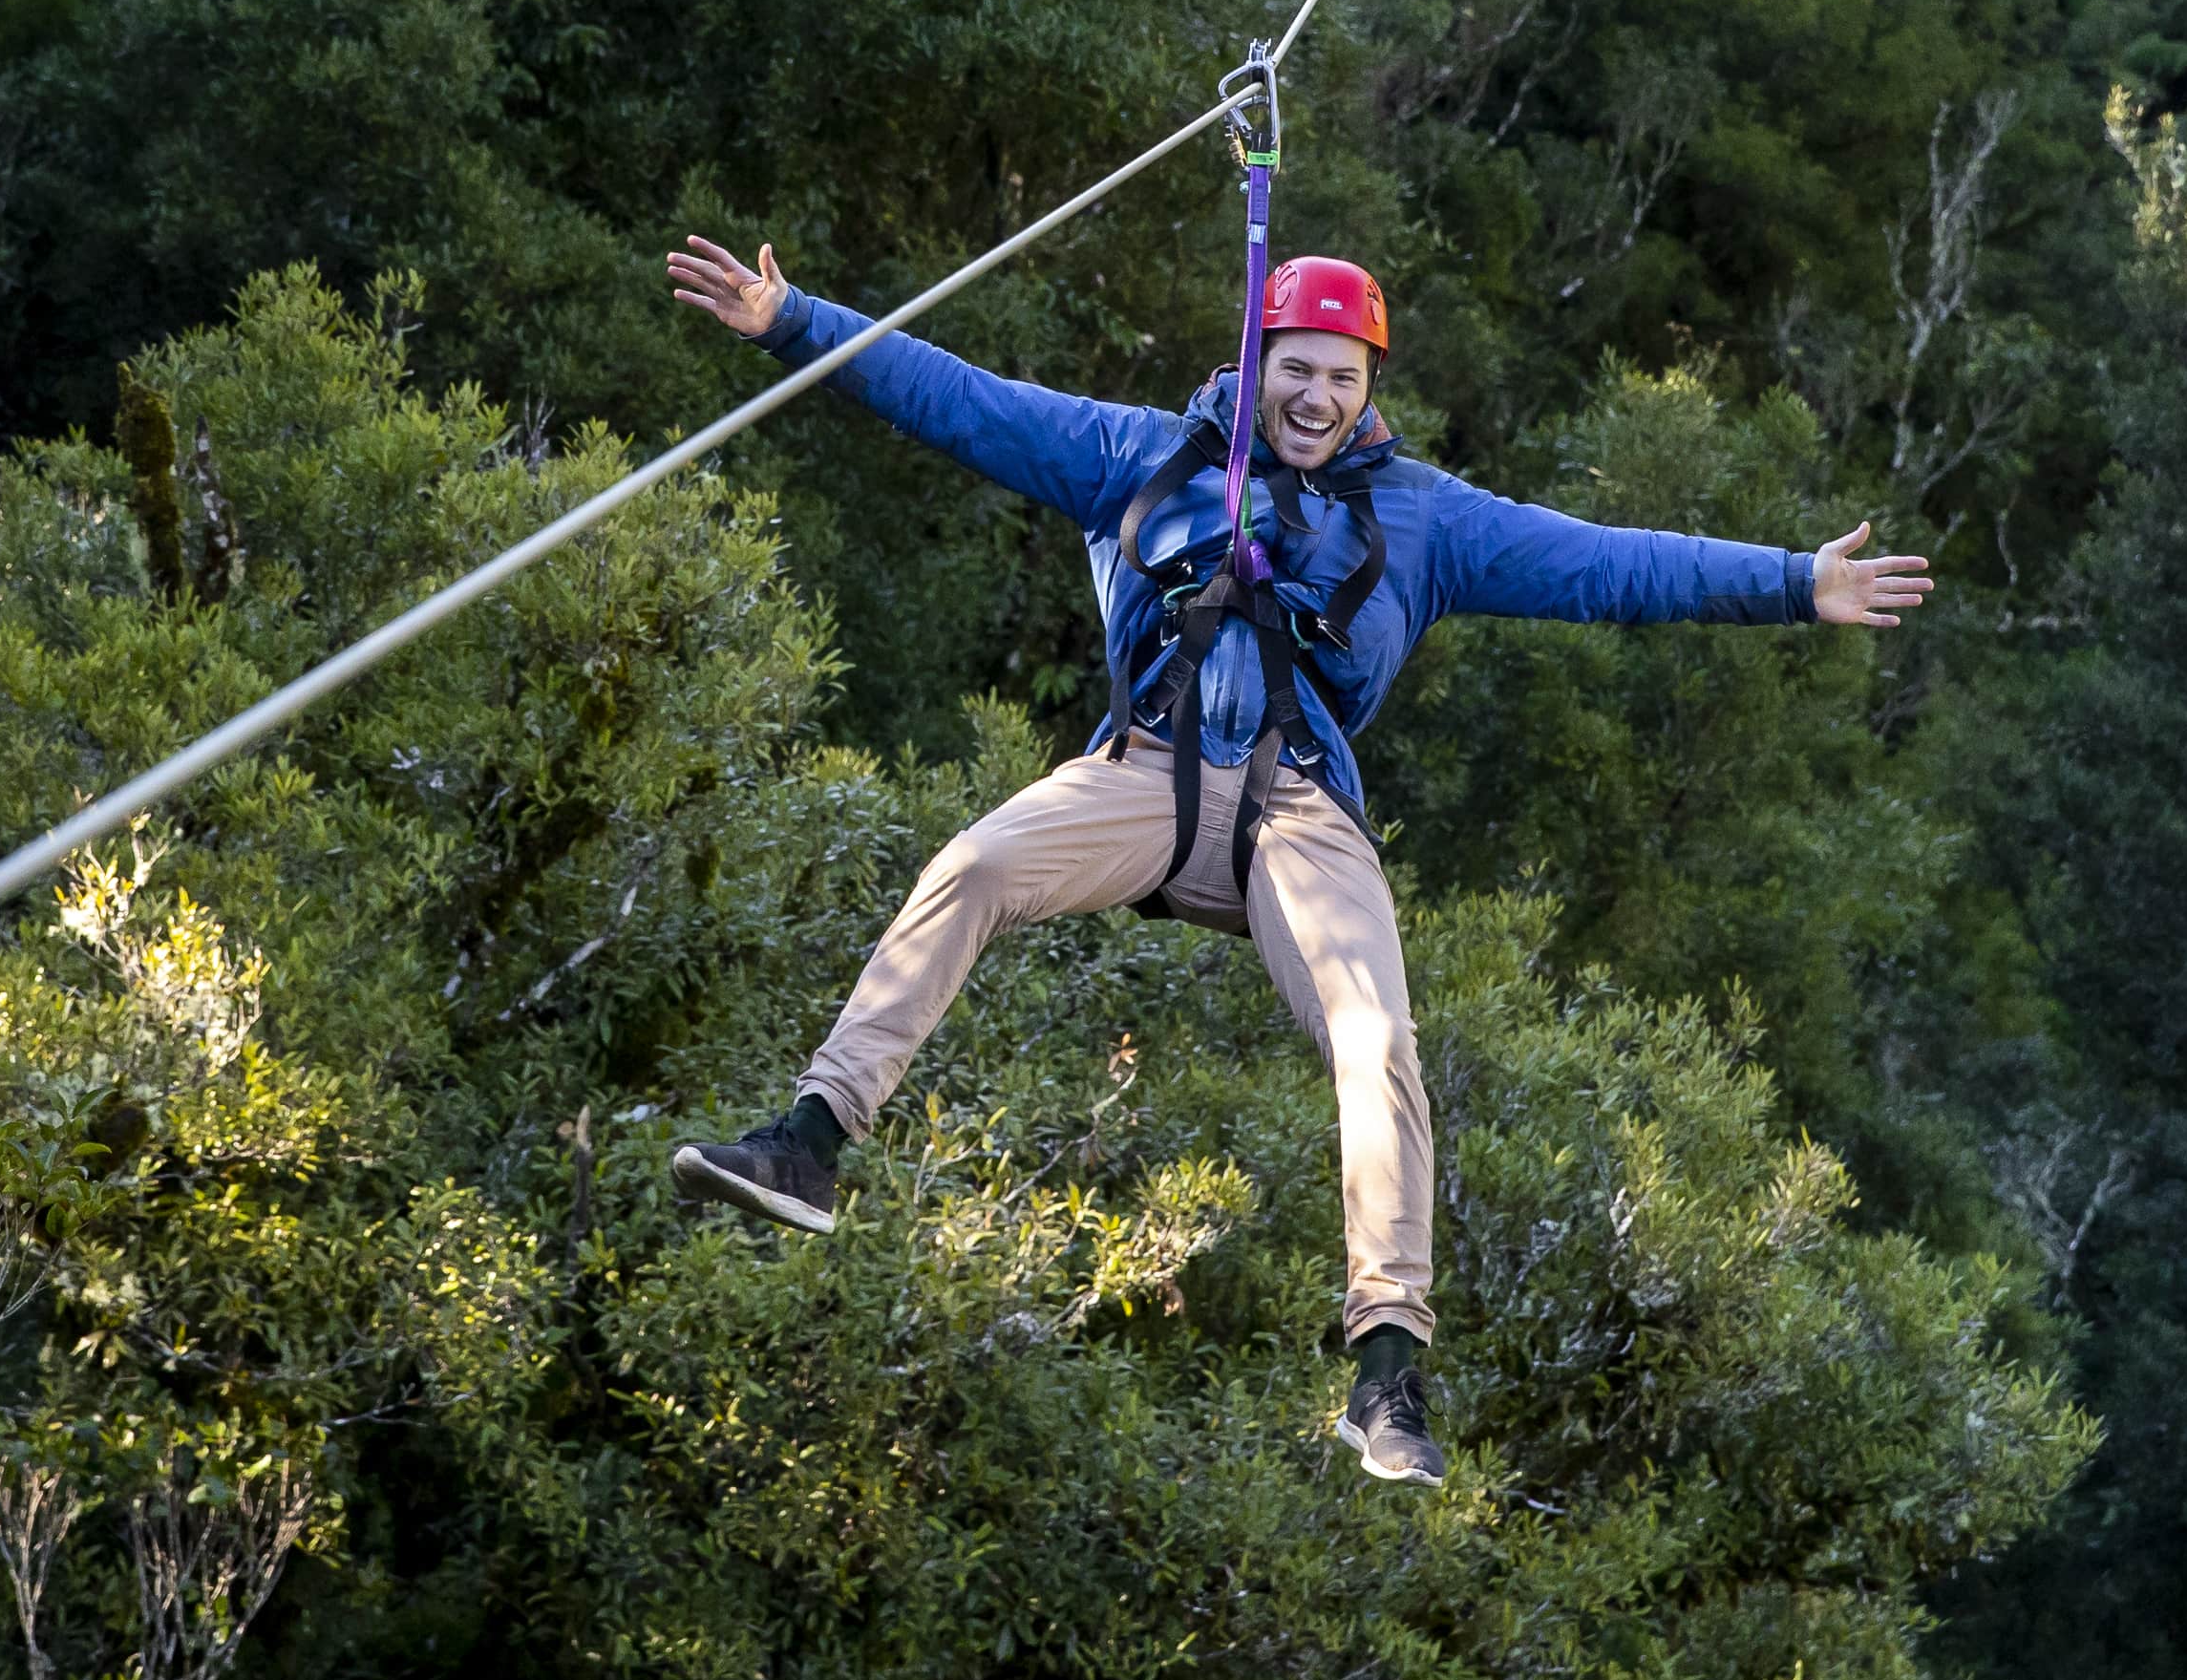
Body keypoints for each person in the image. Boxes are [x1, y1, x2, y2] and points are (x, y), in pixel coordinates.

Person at [654, 232, 1925, 1485]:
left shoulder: (1426, 521)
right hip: (1144, 773)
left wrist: (1790, 583)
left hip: (1299, 811)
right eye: (1297, 370)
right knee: (976, 865)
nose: (1316, 397)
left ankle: (1386, 1370)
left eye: (1343, 377)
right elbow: (964, 402)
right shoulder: (1142, 454)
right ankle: (810, 1142)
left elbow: (1613, 564)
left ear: (1370, 388)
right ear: (1259, 362)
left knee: (1376, 1037)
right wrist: (795, 323)